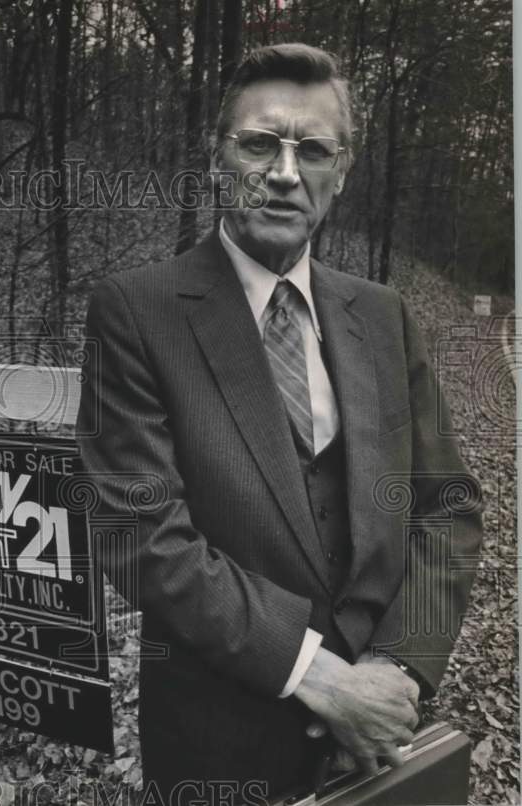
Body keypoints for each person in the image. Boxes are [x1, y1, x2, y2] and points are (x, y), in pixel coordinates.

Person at [76, 42, 482, 805]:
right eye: (260, 143)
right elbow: (136, 529)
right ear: (217, 155)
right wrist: (316, 675)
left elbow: (448, 506)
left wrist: (397, 668)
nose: (286, 172)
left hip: (384, 745)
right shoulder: (138, 310)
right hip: (220, 748)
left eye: (314, 150)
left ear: (343, 171)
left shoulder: (384, 316)